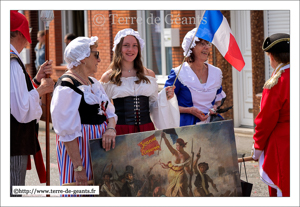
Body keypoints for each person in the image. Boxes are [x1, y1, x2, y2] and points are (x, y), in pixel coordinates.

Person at [50, 36, 117, 190]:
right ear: (83, 59)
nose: (99, 60)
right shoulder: (66, 86)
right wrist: (78, 168)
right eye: (96, 54)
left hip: (99, 151)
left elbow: (110, 113)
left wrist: (110, 128)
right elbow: (66, 132)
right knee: (80, 191)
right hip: (79, 152)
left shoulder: (93, 82)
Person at [100, 28, 177, 135]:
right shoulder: (108, 77)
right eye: (126, 45)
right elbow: (103, 110)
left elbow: (153, 105)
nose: (130, 49)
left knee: (150, 153)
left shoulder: (149, 75)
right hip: (121, 131)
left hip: (147, 129)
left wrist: (165, 96)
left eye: (134, 45)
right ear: (118, 48)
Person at [10, 10, 54, 196]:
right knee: (11, 192)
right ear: (19, 32)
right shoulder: (11, 62)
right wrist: (42, 90)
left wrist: (36, 80)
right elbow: (21, 109)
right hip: (13, 142)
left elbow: (17, 96)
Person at [252, 33, 290, 197]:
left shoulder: (275, 82)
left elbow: (265, 122)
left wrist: (257, 149)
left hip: (283, 145)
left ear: (272, 56)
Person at [164, 28, 226, 126]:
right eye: (202, 44)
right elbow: (166, 104)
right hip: (187, 127)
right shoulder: (179, 73)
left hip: (211, 126)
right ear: (191, 47)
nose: (206, 47)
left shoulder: (216, 72)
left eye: (208, 44)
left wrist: (215, 108)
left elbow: (218, 99)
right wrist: (189, 110)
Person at [159, 132, 192, 197]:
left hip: (180, 173)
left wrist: (189, 172)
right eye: (176, 145)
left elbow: (187, 166)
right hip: (172, 173)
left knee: (180, 186)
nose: (176, 147)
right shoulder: (174, 152)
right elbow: (168, 145)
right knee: (171, 189)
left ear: (182, 145)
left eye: (178, 145)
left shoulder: (186, 155)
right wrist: (164, 137)